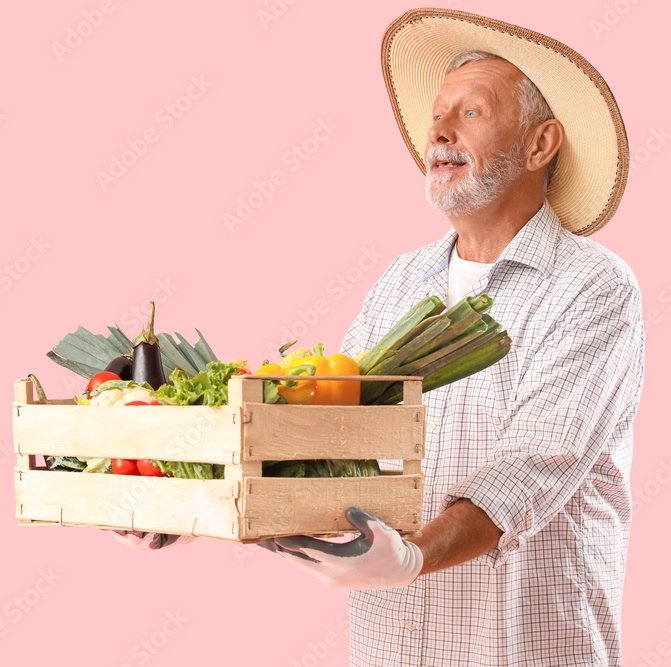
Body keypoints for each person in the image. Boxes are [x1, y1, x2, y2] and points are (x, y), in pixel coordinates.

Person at [256, 9, 645, 666]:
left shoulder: (594, 288)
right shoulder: (400, 281)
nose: (436, 132)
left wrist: (412, 556)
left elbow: (533, 466)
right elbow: (330, 435)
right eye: (437, 114)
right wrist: (199, 504)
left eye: (470, 112)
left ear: (539, 145)